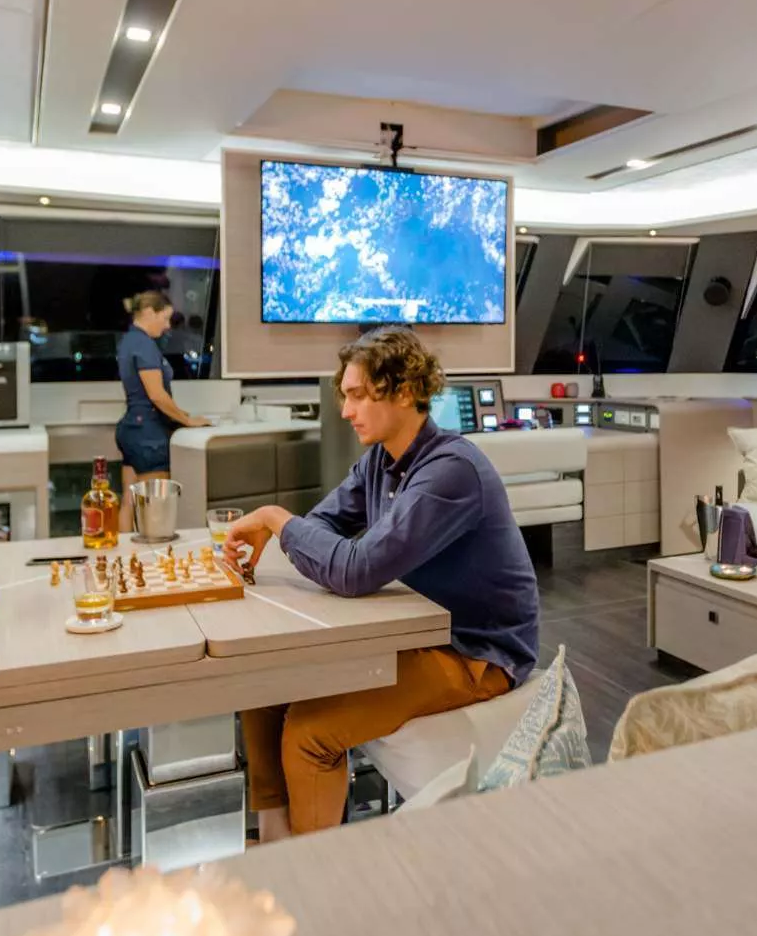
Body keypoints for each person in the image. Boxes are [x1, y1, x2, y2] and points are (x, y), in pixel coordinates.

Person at [225, 327, 540, 839]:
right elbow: (324, 525)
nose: (345, 411)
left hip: (477, 653)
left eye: (356, 396)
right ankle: (277, 840)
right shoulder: (381, 460)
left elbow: (355, 570)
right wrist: (300, 534)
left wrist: (276, 519)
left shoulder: (451, 471)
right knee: (265, 684)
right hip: (416, 632)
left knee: (310, 731)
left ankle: (317, 869)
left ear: (405, 392)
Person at [115, 291, 209, 533]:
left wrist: (180, 414)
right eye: (164, 318)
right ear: (149, 312)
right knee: (155, 508)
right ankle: (155, 554)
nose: (167, 326)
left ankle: (123, 554)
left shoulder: (129, 340)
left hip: (131, 429)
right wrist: (187, 420)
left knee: (129, 501)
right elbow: (156, 395)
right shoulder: (144, 345)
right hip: (148, 433)